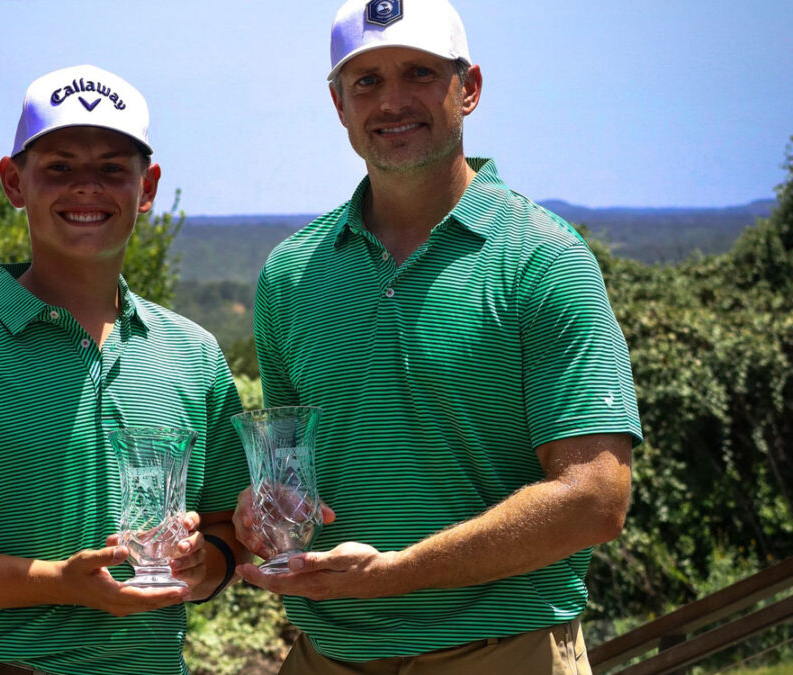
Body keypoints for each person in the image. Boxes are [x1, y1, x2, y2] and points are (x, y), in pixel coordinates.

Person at [233, 1, 642, 673]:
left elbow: (595, 497)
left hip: (504, 651)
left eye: (419, 73)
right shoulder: (290, 274)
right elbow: (287, 475)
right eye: (365, 81)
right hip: (327, 654)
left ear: (469, 88)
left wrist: (396, 572)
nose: (392, 100)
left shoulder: (542, 259)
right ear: (338, 103)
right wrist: (262, 511)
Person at [0, 65, 249, 675]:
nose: (86, 187)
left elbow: (225, 526)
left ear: (148, 187)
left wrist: (204, 563)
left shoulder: (191, 353)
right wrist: (59, 581)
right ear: (14, 182)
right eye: (59, 167)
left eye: (113, 168)